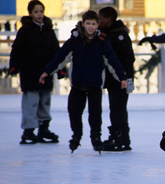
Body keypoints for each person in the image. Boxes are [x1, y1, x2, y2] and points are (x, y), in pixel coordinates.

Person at [39, 10, 127, 154]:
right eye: (88, 23)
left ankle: (96, 137)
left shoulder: (102, 42)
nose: (91, 27)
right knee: (74, 112)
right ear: (83, 23)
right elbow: (60, 57)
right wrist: (47, 72)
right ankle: (76, 135)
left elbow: (113, 61)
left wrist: (122, 78)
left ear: (98, 25)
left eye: (93, 23)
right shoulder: (75, 40)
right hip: (77, 85)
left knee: (95, 115)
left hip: (95, 86)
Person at [9, 0, 62, 144]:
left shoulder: (48, 30)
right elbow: (17, 49)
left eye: (41, 11)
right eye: (36, 12)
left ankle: (43, 128)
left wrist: (60, 70)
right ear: (30, 13)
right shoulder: (25, 30)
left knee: (45, 101)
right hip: (30, 72)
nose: (39, 14)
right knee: (31, 102)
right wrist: (14, 66)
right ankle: (29, 130)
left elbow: (56, 52)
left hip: (46, 73)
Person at [98, 6, 135, 151]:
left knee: (118, 109)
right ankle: (122, 138)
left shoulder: (118, 36)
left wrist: (128, 79)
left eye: (101, 19)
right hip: (116, 79)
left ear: (109, 19)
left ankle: (120, 138)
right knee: (117, 108)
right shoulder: (109, 34)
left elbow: (128, 59)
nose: (99, 22)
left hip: (121, 80)